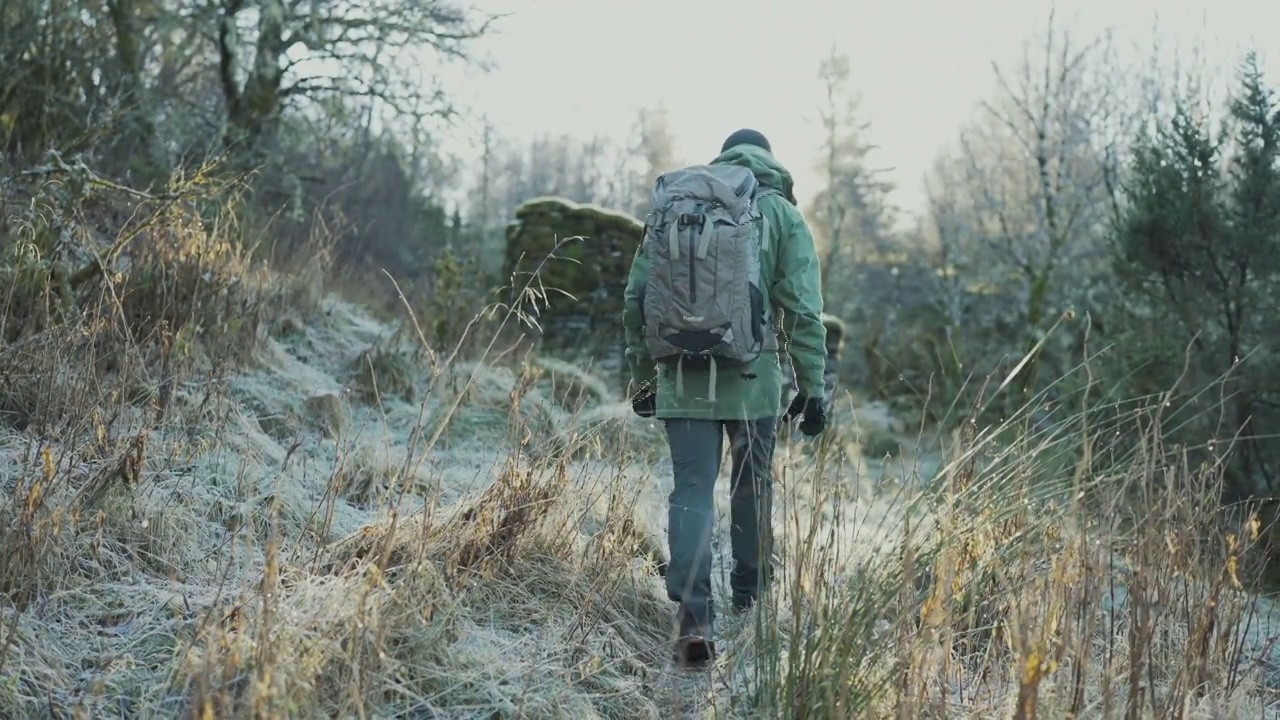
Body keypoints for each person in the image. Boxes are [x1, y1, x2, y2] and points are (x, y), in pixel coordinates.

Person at [622, 128, 828, 668]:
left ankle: (693, 619)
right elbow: (804, 311)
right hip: (753, 382)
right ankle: (751, 599)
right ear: (771, 160)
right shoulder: (781, 213)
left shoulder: (678, 205)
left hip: (681, 378)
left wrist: (644, 376)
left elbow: (636, 296)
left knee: (690, 490)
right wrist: (813, 388)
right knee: (751, 488)